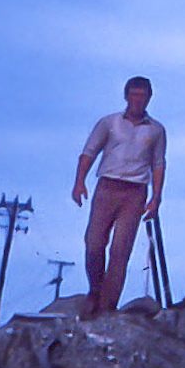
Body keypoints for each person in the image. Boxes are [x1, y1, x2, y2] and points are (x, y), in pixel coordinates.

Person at [72, 76, 167, 319]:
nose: (138, 100)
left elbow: (158, 164)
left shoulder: (156, 130)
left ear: (148, 98)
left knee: (120, 249)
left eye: (142, 96)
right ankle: (95, 291)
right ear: (126, 96)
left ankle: (107, 305)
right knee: (94, 242)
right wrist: (79, 182)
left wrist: (156, 197)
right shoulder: (109, 123)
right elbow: (89, 152)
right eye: (134, 95)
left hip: (135, 191)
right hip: (107, 186)